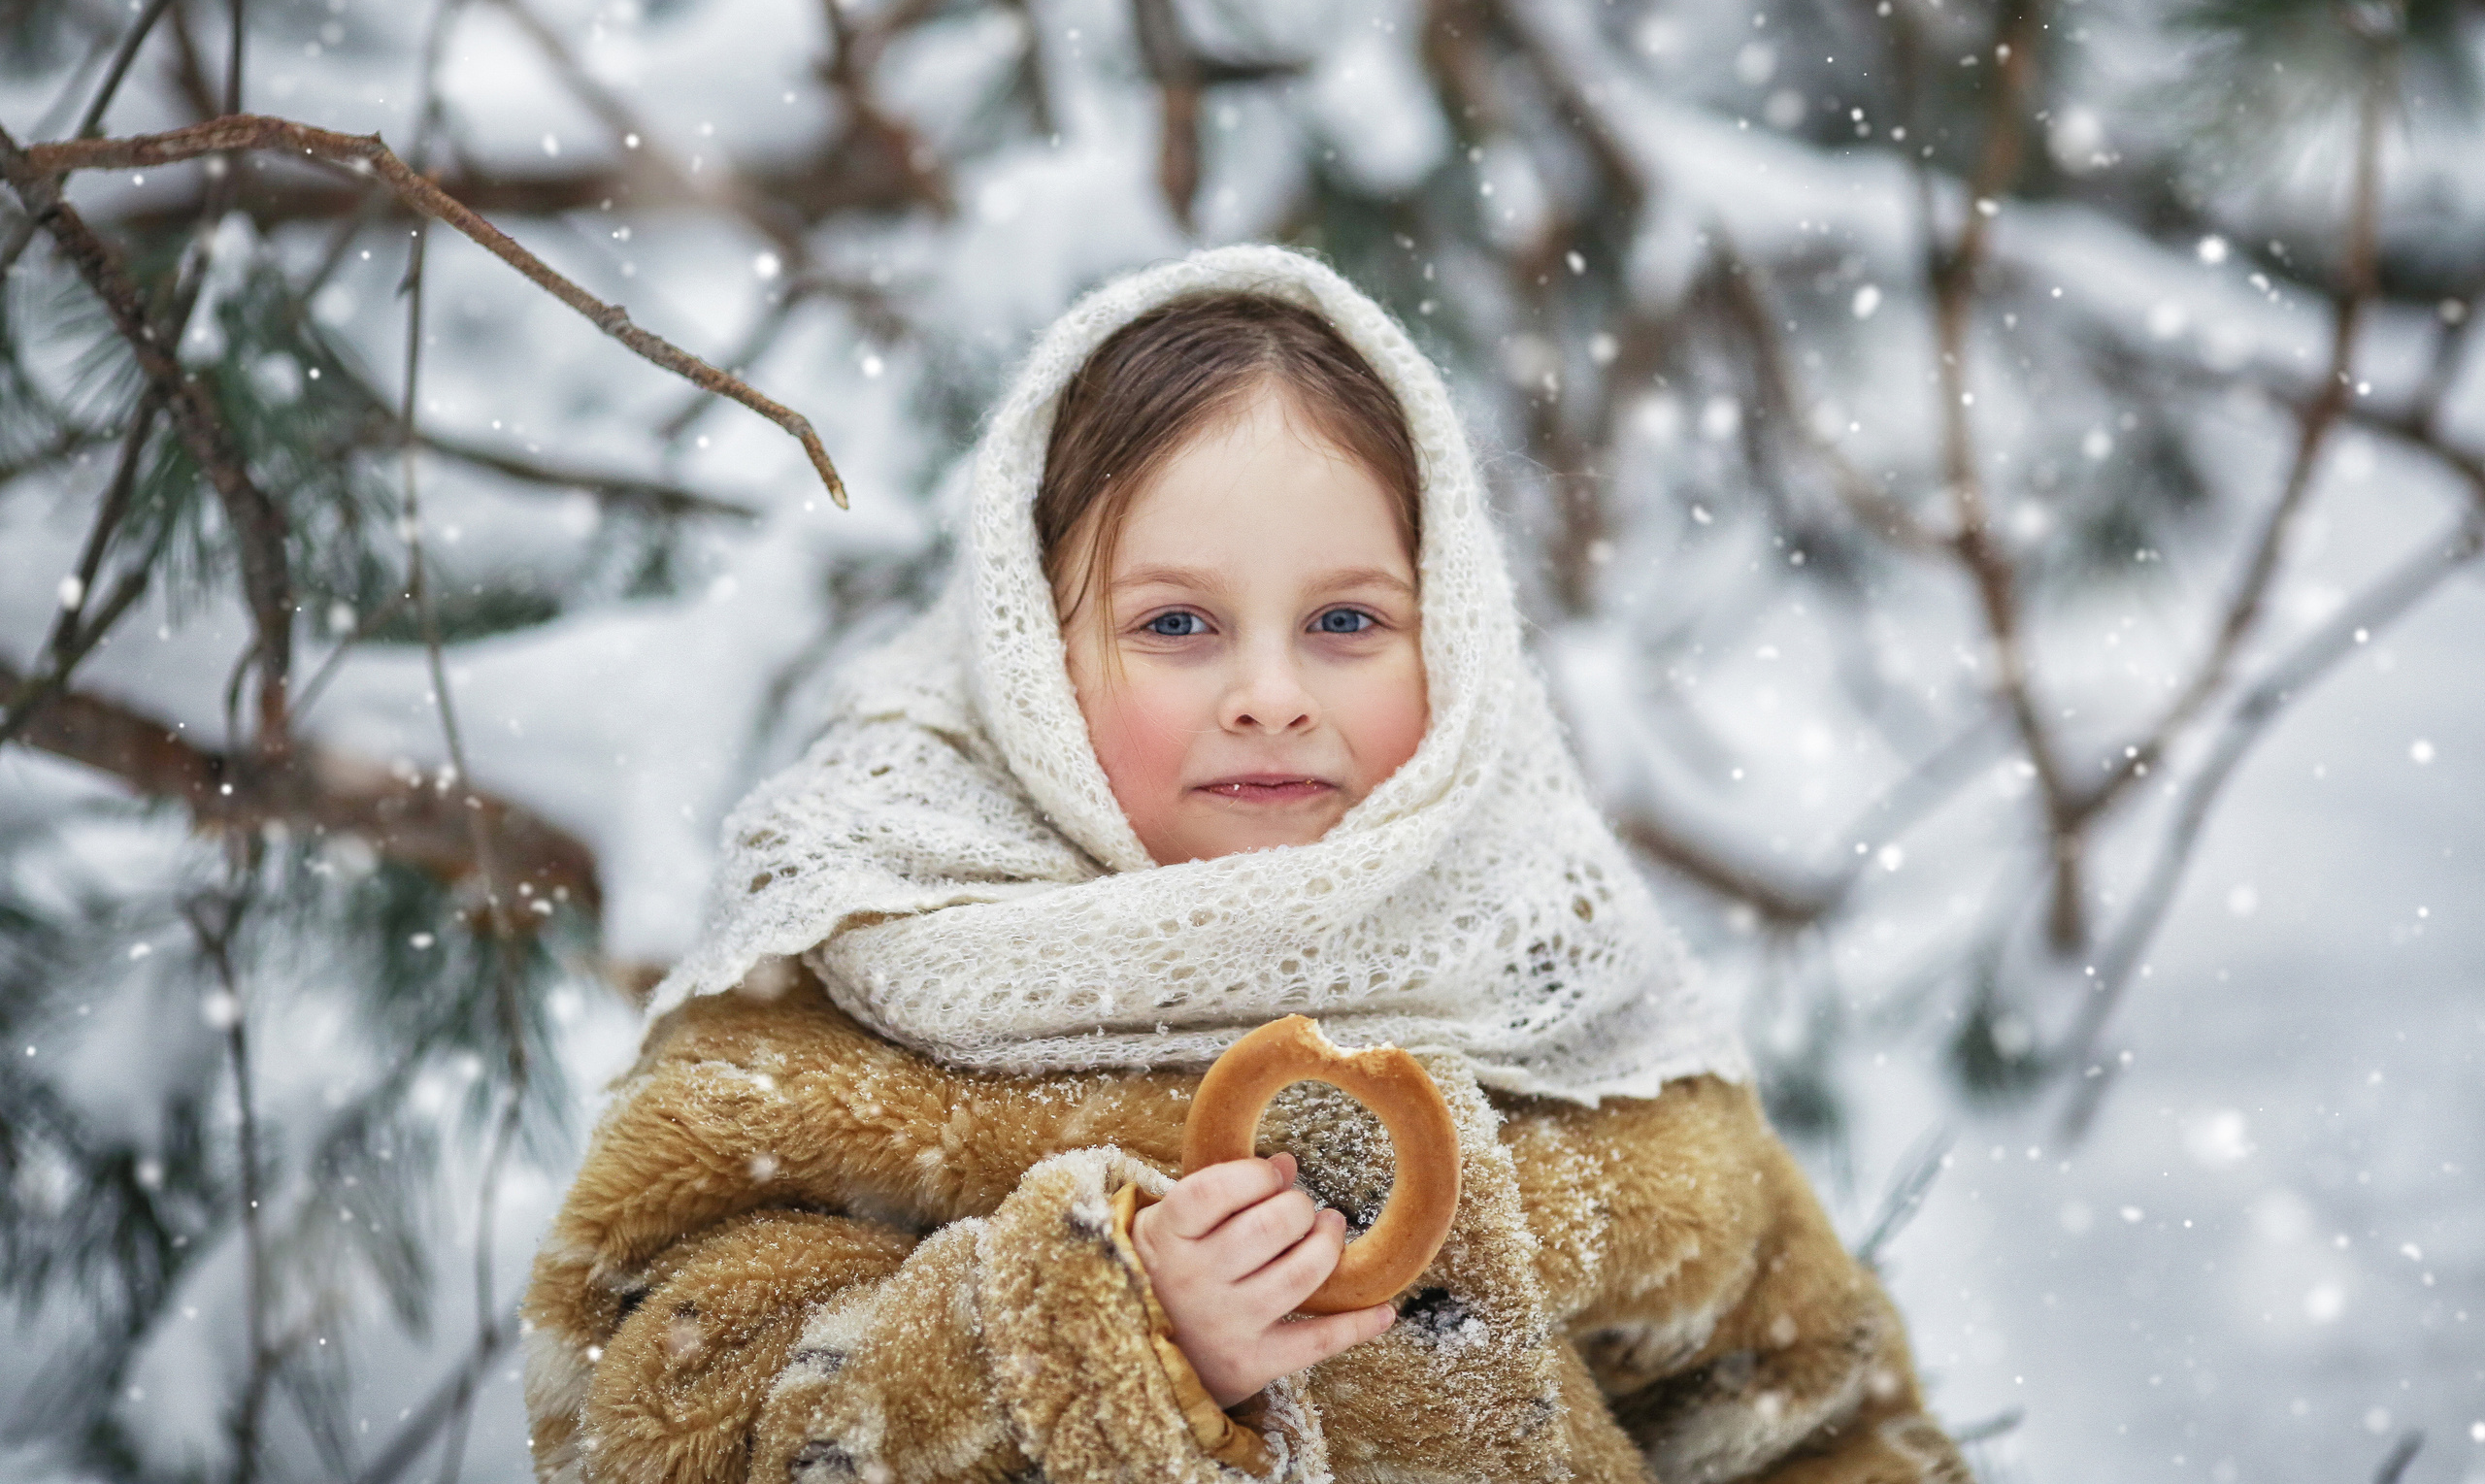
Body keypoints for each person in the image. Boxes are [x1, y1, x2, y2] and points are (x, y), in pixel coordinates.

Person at [520, 246, 1967, 1483]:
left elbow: (1814, 1413)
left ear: (1452, 635)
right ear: (1032, 653)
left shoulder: (1551, 991)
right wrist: (1091, 1330)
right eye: (1176, 625)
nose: (1271, 696)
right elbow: (651, 1420)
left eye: (1345, 624)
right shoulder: (870, 968)